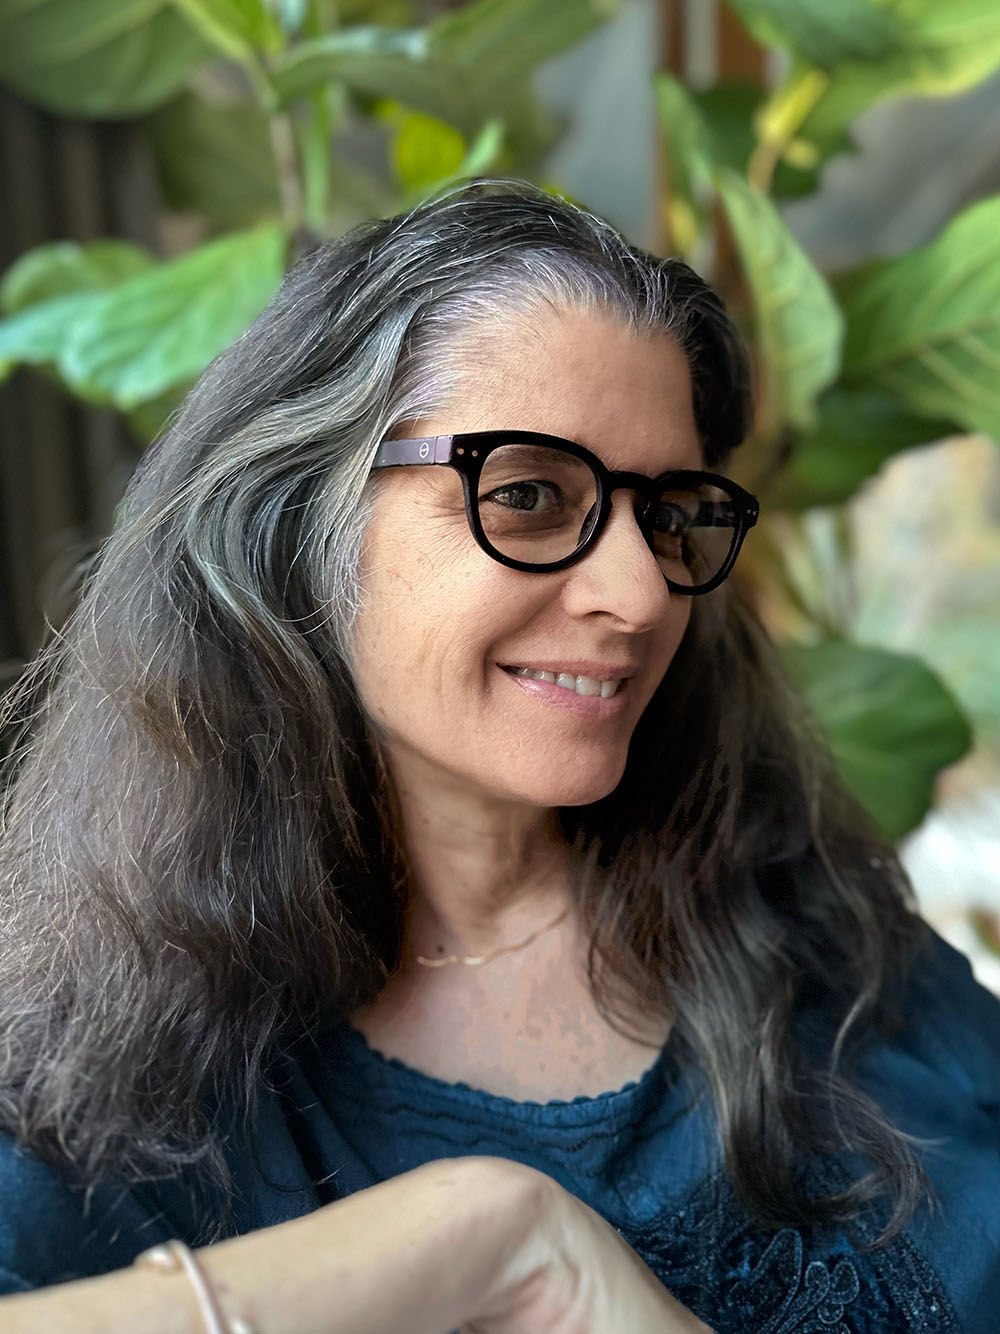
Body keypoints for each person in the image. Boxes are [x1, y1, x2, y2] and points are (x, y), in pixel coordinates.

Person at [0, 178, 997, 1334]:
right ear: (293, 525)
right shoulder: (95, 1070)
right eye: (527, 494)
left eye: (669, 513)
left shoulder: (815, 927)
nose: (637, 594)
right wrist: (492, 1232)